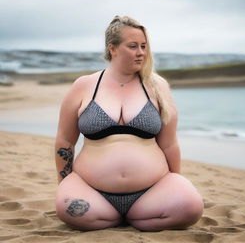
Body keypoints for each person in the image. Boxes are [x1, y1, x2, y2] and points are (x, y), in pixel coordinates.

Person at [55, 15, 203, 231]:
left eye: (144, 46)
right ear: (112, 48)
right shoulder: (84, 85)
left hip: (152, 189)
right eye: (133, 46)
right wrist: (65, 185)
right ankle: (127, 218)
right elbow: (65, 141)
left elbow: (170, 144)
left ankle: (125, 217)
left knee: (191, 208)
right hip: (91, 189)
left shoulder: (157, 86)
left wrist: (175, 182)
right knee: (67, 208)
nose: (141, 52)